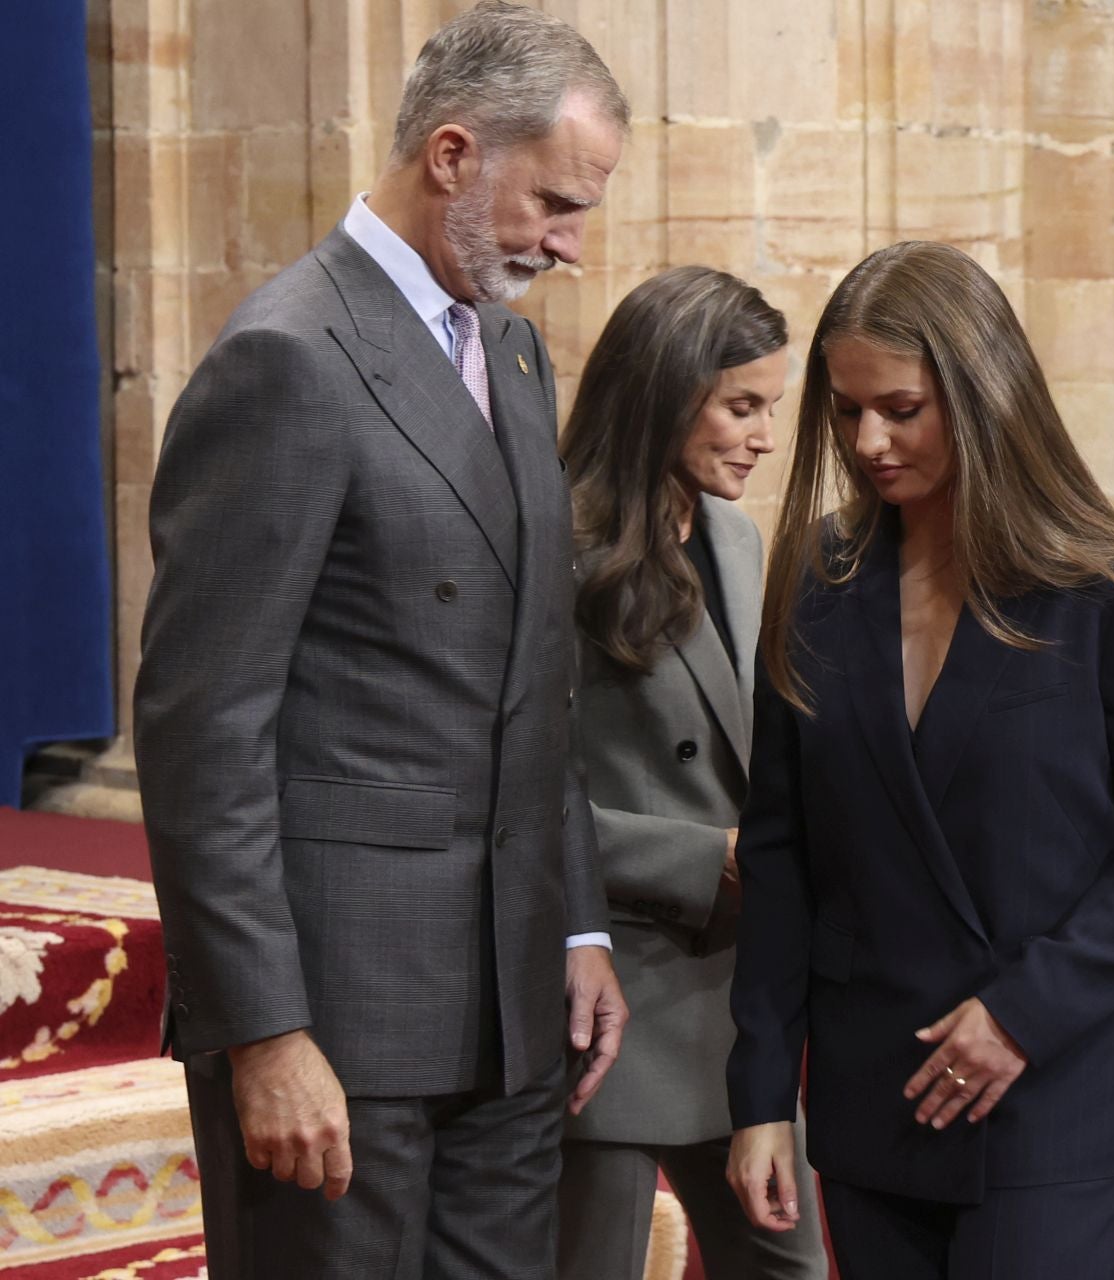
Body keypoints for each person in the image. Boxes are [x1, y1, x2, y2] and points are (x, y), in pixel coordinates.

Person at [132, 5, 630, 1275]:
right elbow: (205, 727)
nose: (573, 246)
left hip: (513, 1000)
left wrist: (579, 924)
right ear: (454, 155)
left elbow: (538, 680)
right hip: (341, 1018)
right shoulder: (286, 357)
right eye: (557, 204)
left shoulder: (514, 353)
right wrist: (264, 1031)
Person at [723, 240, 1114, 1278]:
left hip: (1053, 1087)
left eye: (900, 408)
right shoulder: (816, 577)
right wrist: (762, 1095)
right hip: (874, 1091)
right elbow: (780, 855)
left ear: (981, 390)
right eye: (847, 408)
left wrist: (1024, 1011)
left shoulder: (1107, 585)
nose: (867, 440)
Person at [554, 267, 827, 1279]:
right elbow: (513, 790)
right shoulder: (556, 540)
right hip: (604, 985)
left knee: (788, 1265)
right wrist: (696, 855)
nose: (763, 434)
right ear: (667, 393)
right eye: (740, 405)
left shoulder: (738, 536)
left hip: (734, 990)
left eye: (772, 408)